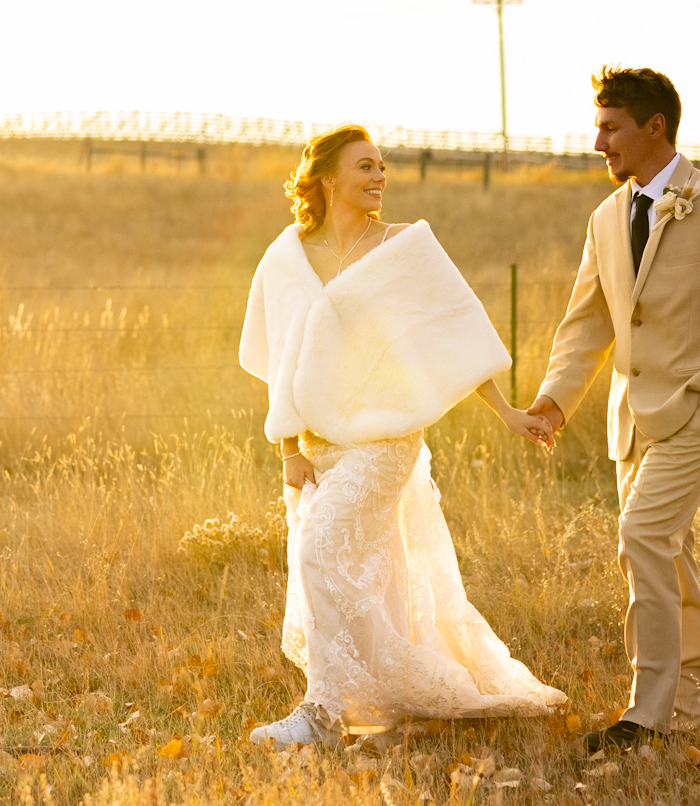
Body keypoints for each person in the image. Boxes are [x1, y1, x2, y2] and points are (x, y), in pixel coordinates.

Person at [239, 124, 568, 749]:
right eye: (365, 167)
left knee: (319, 547)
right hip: (316, 444)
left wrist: (506, 412)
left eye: (382, 167)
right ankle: (382, 699)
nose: (379, 178)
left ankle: (326, 713)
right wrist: (287, 450)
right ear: (328, 178)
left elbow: (452, 337)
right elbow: (278, 359)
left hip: (387, 440)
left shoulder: (402, 248)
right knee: (369, 571)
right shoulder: (286, 257)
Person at [523, 68, 700, 753]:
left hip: (695, 412)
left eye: (610, 127)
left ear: (654, 126)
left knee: (640, 536)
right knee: (667, 552)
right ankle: (696, 703)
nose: (597, 140)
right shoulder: (605, 217)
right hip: (629, 420)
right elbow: (587, 321)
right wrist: (553, 399)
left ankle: (648, 713)